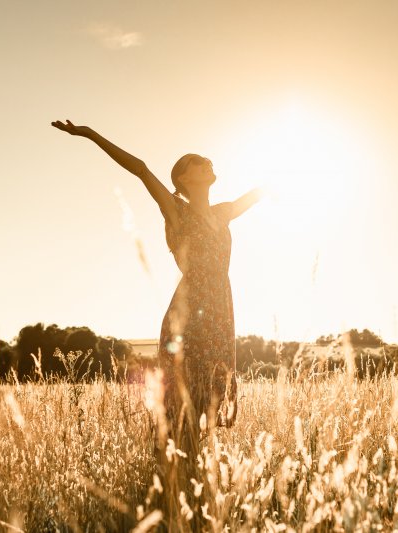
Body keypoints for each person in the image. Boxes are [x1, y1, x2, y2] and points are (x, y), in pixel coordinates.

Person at [51, 120, 262, 441]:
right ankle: (172, 458)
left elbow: (262, 192)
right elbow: (140, 168)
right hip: (191, 307)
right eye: (197, 161)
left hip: (221, 305)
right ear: (183, 178)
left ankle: (189, 465)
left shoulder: (223, 213)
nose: (207, 162)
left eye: (207, 160)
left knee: (212, 393)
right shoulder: (176, 209)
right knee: (186, 392)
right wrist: (91, 135)